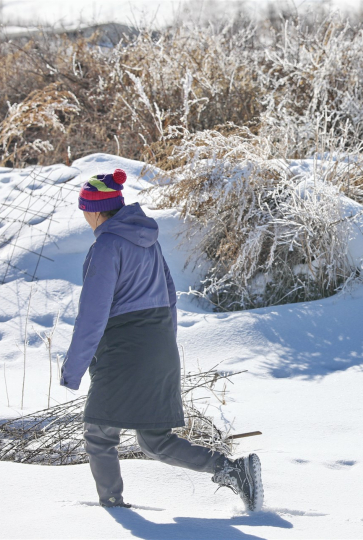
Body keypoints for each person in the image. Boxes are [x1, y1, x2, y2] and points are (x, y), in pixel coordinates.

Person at [60, 168, 263, 510]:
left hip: (124, 349)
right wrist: (162, 348)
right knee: (155, 441)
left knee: (99, 435)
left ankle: (111, 508)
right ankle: (232, 470)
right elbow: (170, 297)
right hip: (158, 346)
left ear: (95, 210)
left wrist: (73, 368)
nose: (84, 216)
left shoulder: (107, 246)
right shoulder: (149, 242)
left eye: (84, 209)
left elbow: (93, 314)